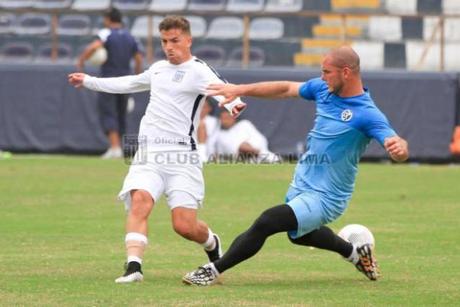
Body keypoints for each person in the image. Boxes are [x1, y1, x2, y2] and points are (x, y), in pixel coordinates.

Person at [182, 46, 409, 286]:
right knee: (299, 236)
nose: (322, 77)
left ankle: (212, 271)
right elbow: (286, 88)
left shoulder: (367, 113)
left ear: (346, 72)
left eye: (326, 72)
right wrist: (240, 89)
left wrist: (400, 149)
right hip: (302, 183)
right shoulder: (324, 89)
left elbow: (395, 144)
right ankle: (355, 254)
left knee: (268, 221)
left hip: (327, 196)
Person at [69, 15, 246, 283]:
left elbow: (223, 90)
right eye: (164, 41)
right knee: (139, 201)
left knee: (184, 226)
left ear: (188, 40)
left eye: (174, 41)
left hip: (182, 157)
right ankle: (133, 267)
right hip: (149, 153)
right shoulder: (158, 69)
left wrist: (233, 103)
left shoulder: (199, 70)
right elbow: (128, 83)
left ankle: (212, 243)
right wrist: (89, 81)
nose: (169, 47)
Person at [77, 7, 144, 159]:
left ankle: (114, 148)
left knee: (108, 112)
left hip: (108, 80)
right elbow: (139, 57)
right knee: (121, 113)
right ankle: (118, 147)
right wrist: (138, 76)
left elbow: (93, 47)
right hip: (126, 81)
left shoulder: (105, 33)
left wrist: (81, 61)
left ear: (108, 19)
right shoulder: (131, 36)